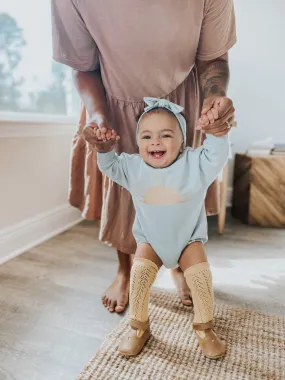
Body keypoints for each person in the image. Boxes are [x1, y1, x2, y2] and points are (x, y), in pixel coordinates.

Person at [51, 0, 236, 313]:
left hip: (182, 102)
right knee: (127, 193)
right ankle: (125, 269)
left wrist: (215, 99)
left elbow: (214, 58)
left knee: (181, 192)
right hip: (112, 100)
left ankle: (179, 265)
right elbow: (84, 66)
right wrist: (98, 116)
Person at [84, 97, 230, 358]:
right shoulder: (133, 167)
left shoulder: (195, 164)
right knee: (138, 275)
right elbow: (109, 166)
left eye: (165, 135)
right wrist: (104, 149)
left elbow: (217, 155)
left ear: (182, 141)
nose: (155, 142)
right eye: (147, 136)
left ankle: (205, 329)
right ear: (139, 142)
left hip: (188, 242)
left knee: (200, 277)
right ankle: (139, 328)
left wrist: (217, 134)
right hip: (150, 241)